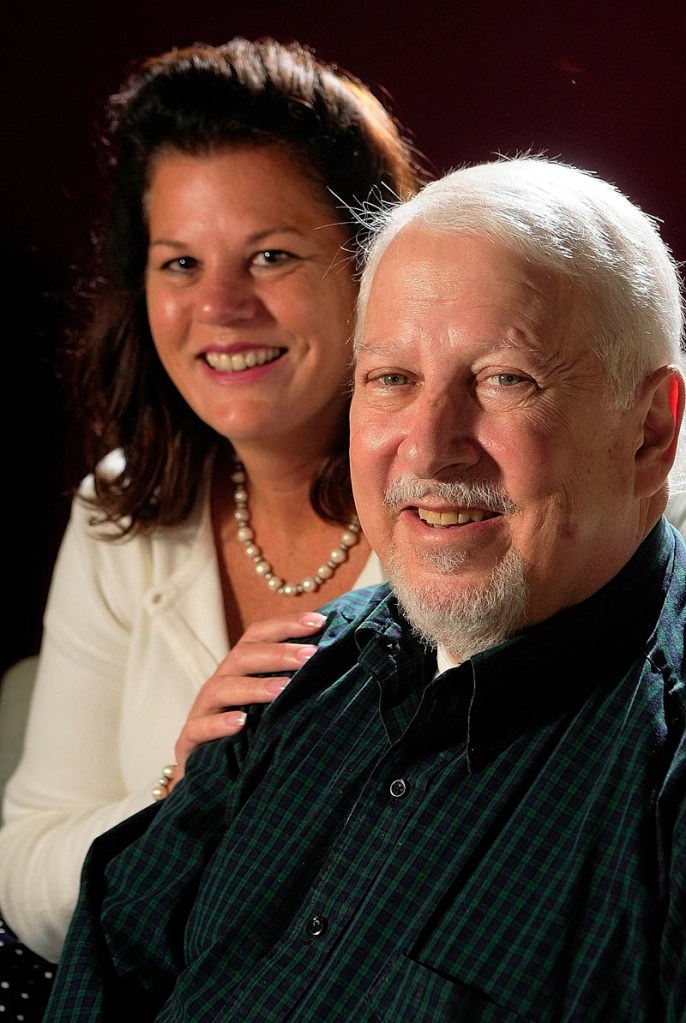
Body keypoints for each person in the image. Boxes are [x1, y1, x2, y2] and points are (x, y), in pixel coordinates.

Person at [42, 154, 686, 1022]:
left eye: (504, 379)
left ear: (649, 432)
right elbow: (110, 964)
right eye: (392, 378)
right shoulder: (294, 670)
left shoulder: (663, 784)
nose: (427, 448)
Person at [0, 34, 425, 1019]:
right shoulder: (121, 509)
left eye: (270, 255)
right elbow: (25, 865)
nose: (220, 307)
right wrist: (181, 803)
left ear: (374, 265)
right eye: (179, 262)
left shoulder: (472, 488)